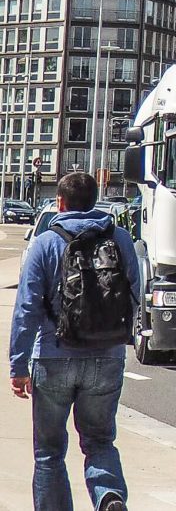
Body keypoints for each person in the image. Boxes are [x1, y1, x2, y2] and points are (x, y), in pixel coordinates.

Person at [9, 172, 140, 511]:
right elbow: (136, 295)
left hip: (53, 356)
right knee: (99, 441)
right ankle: (109, 496)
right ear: (95, 200)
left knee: (49, 451)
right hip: (107, 358)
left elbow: (27, 307)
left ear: (60, 203)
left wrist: (18, 365)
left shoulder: (45, 242)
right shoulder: (121, 239)